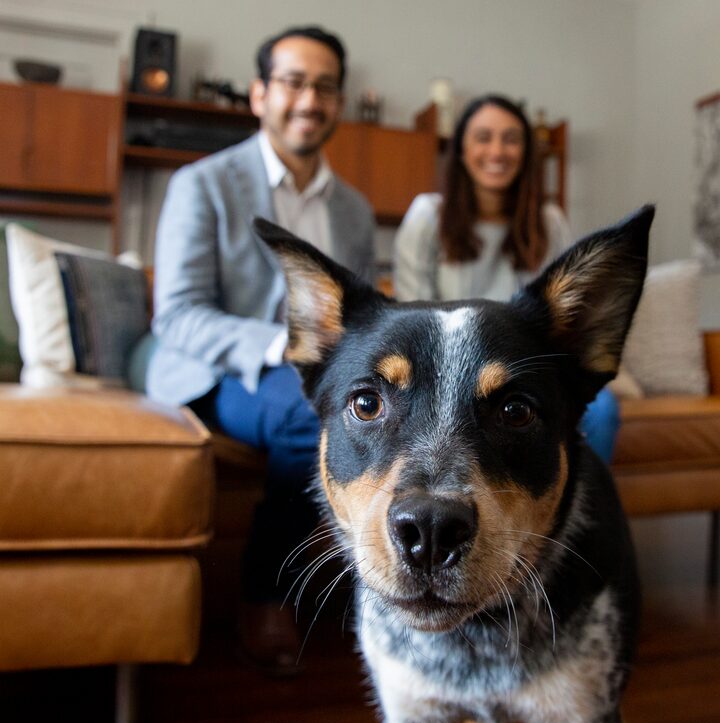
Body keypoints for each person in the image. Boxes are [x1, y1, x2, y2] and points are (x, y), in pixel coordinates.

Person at [146, 26, 375, 676]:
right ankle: (267, 590)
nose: (310, 100)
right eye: (294, 83)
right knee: (312, 420)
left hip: (321, 373)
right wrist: (283, 346)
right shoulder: (204, 184)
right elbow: (179, 314)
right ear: (259, 95)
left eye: (325, 87)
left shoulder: (354, 209)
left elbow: (356, 314)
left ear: (338, 101)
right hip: (222, 371)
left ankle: (368, 578)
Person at [394, 93, 619, 463]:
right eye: (483, 137)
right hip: (442, 368)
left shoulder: (549, 221)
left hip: (520, 370)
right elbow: (411, 311)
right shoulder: (426, 216)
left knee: (603, 412)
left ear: (526, 153)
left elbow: (562, 314)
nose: (497, 151)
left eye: (511, 139)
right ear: (462, 151)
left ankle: (581, 512)